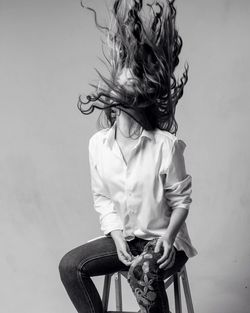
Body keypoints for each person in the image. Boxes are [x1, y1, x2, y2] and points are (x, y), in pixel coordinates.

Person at [59, 1, 197, 312]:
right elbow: (103, 198)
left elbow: (181, 202)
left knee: (143, 271)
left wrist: (170, 238)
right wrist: (118, 238)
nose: (126, 76)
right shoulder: (98, 144)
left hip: (164, 242)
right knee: (70, 266)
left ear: (144, 90)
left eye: (134, 73)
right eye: (123, 71)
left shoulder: (165, 144)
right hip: (126, 240)